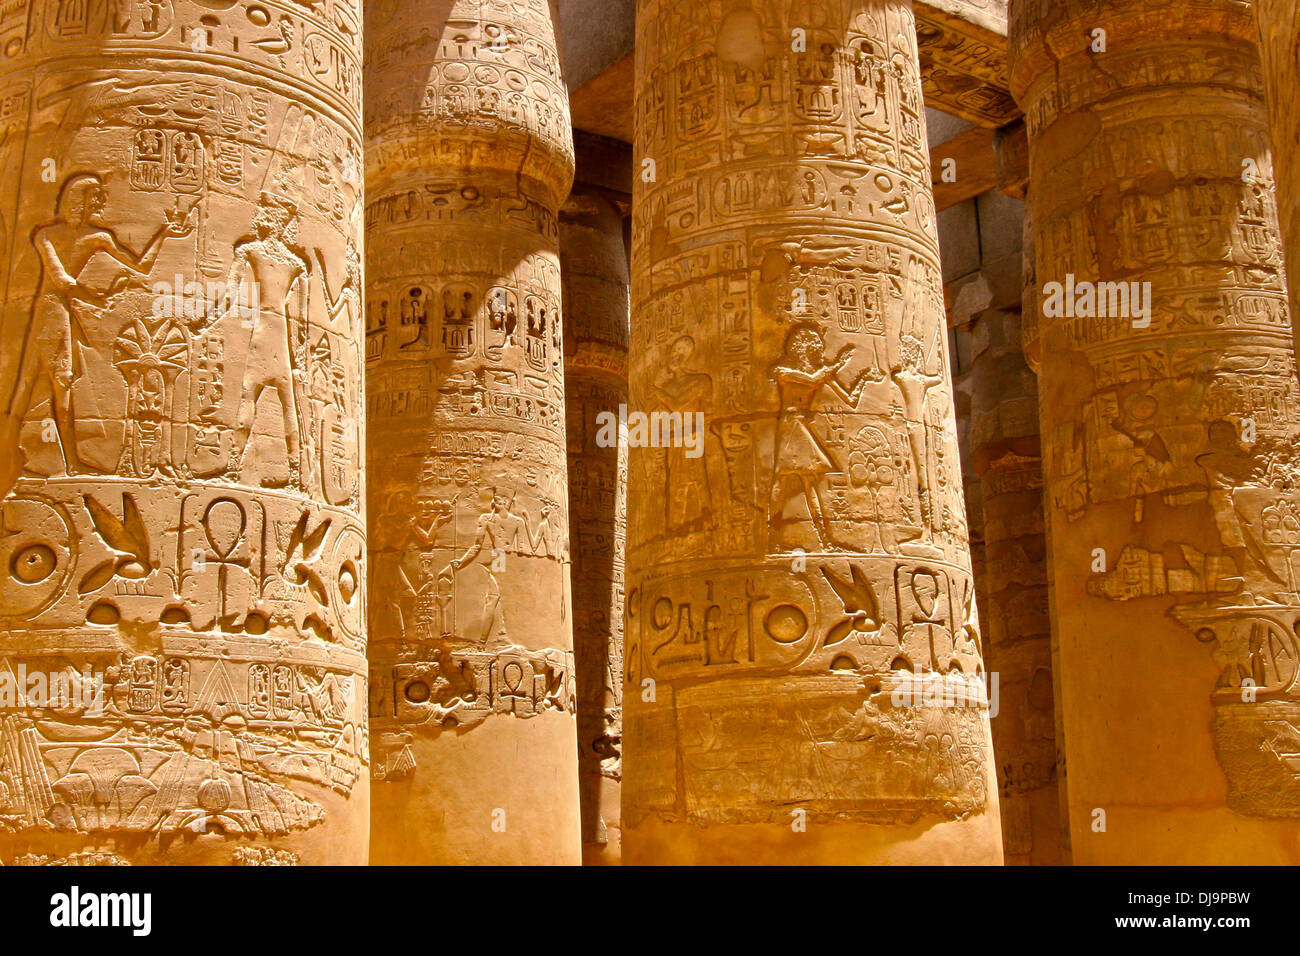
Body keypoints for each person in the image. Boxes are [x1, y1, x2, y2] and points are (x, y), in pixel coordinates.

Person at [3, 174, 194, 493]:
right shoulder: (46, 236)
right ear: (80, 200)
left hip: (61, 313)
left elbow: (142, 267)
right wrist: (98, 299)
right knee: (34, 392)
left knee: (51, 390)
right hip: (51, 314)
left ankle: (70, 462)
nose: (100, 205)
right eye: (95, 199)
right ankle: (51, 460)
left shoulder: (98, 237)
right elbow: (62, 281)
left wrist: (164, 233)